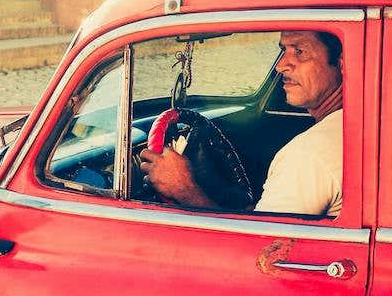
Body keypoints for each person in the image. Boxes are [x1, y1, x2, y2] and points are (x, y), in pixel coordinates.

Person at [139, 30, 343, 217]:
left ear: (343, 63)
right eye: (283, 50)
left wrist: (185, 189)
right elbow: (267, 218)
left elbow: (259, 242)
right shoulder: (343, 130)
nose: (280, 66)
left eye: (299, 52)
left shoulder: (308, 156)